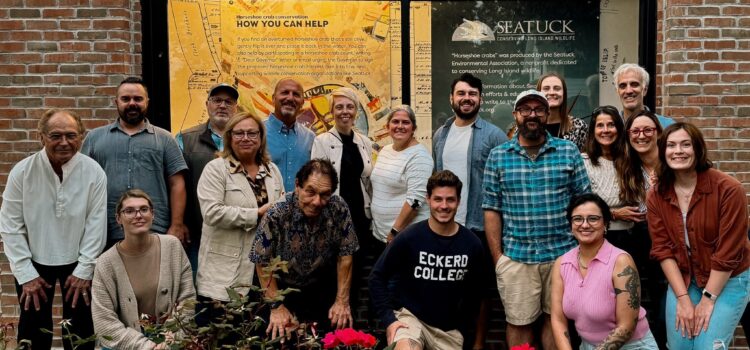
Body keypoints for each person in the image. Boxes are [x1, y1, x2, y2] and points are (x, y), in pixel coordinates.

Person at [483, 90, 591, 349]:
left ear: (547, 114)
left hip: (562, 257)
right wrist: (499, 259)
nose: (532, 114)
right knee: (518, 323)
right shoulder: (498, 156)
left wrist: (582, 253)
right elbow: (491, 210)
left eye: (538, 109)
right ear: (515, 115)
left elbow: (584, 203)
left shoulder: (568, 152)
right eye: (525, 109)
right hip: (517, 257)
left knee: (557, 321)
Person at [0, 109, 106, 350]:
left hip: (79, 261)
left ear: (82, 136)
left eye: (71, 135)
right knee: (33, 330)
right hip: (34, 259)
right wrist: (25, 273)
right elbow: (10, 225)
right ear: (41, 137)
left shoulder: (94, 172)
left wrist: (85, 268)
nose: (64, 142)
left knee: (80, 331)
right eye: (55, 135)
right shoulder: (22, 172)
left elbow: (96, 223)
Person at [647, 122, 750, 349]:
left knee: (705, 346)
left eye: (686, 144)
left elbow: (729, 253)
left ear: (698, 149)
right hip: (685, 277)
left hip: (729, 278)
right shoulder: (656, 195)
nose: (678, 151)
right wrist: (683, 299)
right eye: (671, 145)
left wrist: (708, 300)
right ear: (663, 151)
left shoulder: (729, 189)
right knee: (680, 346)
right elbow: (663, 250)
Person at [369, 170, 487, 349]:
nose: (444, 206)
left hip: (450, 331)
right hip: (412, 320)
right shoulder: (410, 237)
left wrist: (478, 343)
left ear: (459, 202)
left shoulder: (471, 244)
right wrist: (389, 320)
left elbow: (481, 296)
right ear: (428, 200)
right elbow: (377, 277)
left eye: (450, 199)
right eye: (438, 199)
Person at [432, 73, 507, 349]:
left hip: (479, 224)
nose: (467, 98)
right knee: (449, 287)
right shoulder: (441, 134)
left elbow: (503, 181)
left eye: (472, 94)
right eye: (461, 93)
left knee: (481, 290)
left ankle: (477, 344)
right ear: (452, 98)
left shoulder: (494, 135)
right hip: (447, 225)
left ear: (480, 99)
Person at [250, 159, 359, 339]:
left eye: (325, 194)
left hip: (321, 286)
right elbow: (262, 262)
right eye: (310, 192)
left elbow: (346, 255)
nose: (317, 201)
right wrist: (276, 306)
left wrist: (342, 301)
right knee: (278, 335)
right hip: (282, 288)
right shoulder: (277, 213)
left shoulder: (338, 208)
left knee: (334, 333)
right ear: (297, 185)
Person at [195, 112, 284, 325]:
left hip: (263, 275)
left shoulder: (272, 171)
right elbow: (212, 212)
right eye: (239, 133)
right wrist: (256, 214)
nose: (246, 138)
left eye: (252, 133)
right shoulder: (216, 169)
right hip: (224, 275)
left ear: (261, 138)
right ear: (229, 137)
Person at [82, 76, 189, 248]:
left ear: (147, 101)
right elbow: (82, 183)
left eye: (138, 99)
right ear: (116, 102)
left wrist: (177, 224)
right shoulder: (94, 139)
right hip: (106, 231)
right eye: (126, 99)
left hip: (156, 229)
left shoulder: (165, 139)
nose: (132, 103)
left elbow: (177, 183)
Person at [551, 193, 658, 349]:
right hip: (588, 345)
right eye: (578, 219)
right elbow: (558, 319)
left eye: (593, 218)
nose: (585, 225)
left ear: (605, 223)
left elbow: (626, 326)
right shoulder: (562, 264)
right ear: (571, 225)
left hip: (632, 346)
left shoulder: (621, 262)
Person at [92, 189, 195, 349]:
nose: (138, 215)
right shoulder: (106, 263)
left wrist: (169, 339)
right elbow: (104, 322)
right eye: (129, 211)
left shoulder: (172, 246)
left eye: (144, 209)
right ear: (118, 218)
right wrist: (145, 346)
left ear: (152, 214)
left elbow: (187, 299)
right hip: (126, 343)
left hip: (170, 338)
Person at [310, 87, 374, 325]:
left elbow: (367, 181)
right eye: (339, 107)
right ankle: (327, 332)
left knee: (355, 279)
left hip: (359, 219)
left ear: (356, 111)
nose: (344, 112)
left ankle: (349, 335)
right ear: (332, 111)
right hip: (330, 220)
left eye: (349, 107)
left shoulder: (364, 142)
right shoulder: (322, 141)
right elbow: (316, 182)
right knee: (328, 278)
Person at [616, 110, 668, 346]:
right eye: (635, 131)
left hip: (671, 238)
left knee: (665, 297)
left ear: (658, 133)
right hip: (641, 237)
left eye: (648, 130)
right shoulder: (628, 167)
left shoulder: (671, 162)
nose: (641, 136)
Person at [176, 83, 239, 274]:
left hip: (236, 231)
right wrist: (179, 222)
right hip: (197, 233)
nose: (222, 105)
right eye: (217, 100)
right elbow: (178, 184)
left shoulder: (246, 139)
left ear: (236, 108)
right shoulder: (185, 139)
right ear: (207, 104)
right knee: (198, 292)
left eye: (228, 102)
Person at [370, 105, 433, 247]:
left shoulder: (419, 156)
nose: (400, 126)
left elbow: (415, 200)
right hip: (381, 234)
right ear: (387, 126)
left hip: (404, 237)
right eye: (395, 121)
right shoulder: (385, 150)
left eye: (405, 122)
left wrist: (395, 232)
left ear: (413, 128)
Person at [582, 106, 642, 253]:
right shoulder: (584, 162)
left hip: (631, 237)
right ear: (593, 131)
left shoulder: (631, 159)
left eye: (611, 125)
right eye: (600, 125)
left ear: (619, 129)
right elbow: (581, 206)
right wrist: (614, 214)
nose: (606, 130)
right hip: (598, 237)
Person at [507, 73, 588, 151]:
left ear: (564, 93)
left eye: (557, 88)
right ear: (539, 93)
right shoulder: (522, 127)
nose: (552, 92)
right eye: (546, 88)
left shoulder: (578, 127)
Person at [265, 78, 315, 191]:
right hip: (264, 207)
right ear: (273, 98)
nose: (290, 98)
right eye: (285, 92)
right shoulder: (256, 132)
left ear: (302, 102)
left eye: (296, 94)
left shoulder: (310, 138)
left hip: (300, 207)